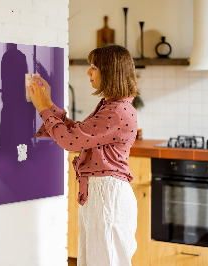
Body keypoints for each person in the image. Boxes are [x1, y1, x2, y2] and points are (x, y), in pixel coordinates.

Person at [26, 44, 139, 266]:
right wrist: (48, 103)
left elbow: (70, 141)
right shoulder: (112, 106)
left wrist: (42, 108)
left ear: (110, 71)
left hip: (107, 195)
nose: (88, 72)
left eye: (94, 67)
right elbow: (78, 133)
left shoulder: (116, 111)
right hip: (101, 193)